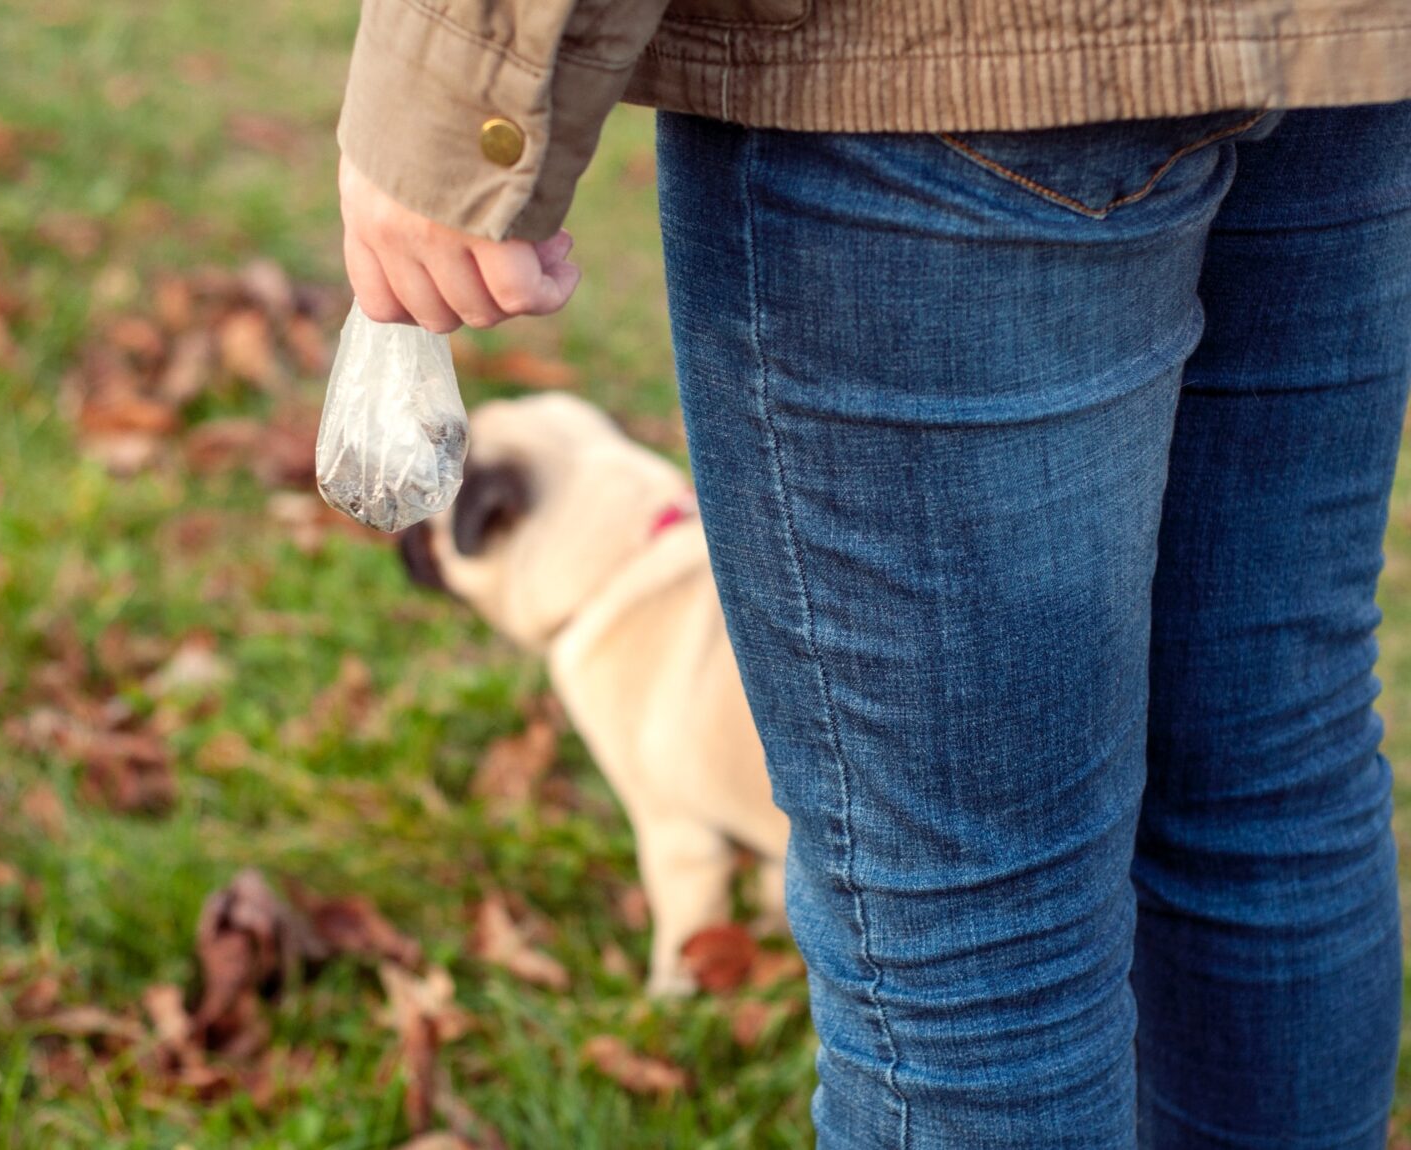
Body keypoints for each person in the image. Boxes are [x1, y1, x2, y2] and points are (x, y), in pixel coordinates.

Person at [334, 3, 1411, 1146]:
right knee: (1261, 771)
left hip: (927, 65)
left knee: (974, 930)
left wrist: (451, 105)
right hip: (1343, 47)